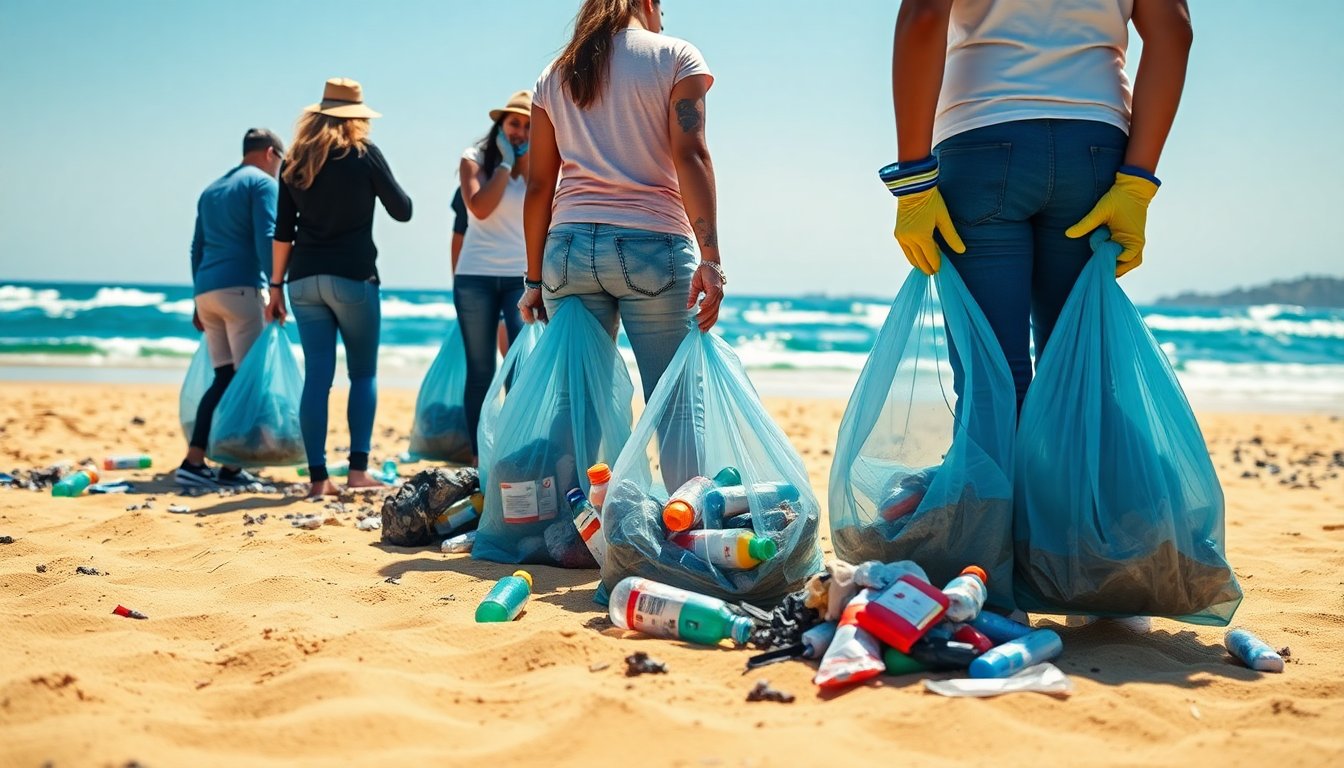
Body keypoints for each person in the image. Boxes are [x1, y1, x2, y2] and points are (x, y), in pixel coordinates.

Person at [886, 0, 1193, 410]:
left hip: (981, 141)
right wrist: (1137, 184)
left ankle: (989, 455)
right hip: (1094, 152)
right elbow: (1173, 31)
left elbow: (924, 16)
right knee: (1077, 383)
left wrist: (913, 181)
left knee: (992, 386)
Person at [521, 0, 726, 409]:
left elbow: (540, 184)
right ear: (648, 4)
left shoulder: (556, 73)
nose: (661, 23)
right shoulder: (676, 56)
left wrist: (533, 282)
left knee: (576, 408)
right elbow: (690, 154)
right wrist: (711, 259)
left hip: (567, 253)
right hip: (652, 243)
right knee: (676, 406)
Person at [265, 78, 413, 497]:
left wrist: (275, 288)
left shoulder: (295, 161)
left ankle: (318, 480)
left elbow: (282, 232)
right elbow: (402, 210)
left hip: (303, 281)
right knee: (362, 374)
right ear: (357, 118)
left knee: (317, 377)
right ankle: (357, 472)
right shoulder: (364, 154)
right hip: (353, 278)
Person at [176, 128, 285, 489]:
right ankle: (232, 466)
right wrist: (276, 287)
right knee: (248, 380)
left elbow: (196, 247)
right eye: (280, 161)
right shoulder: (262, 184)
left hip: (207, 292)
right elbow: (266, 236)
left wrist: (198, 297)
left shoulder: (211, 190)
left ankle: (195, 461)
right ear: (270, 153)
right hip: (240, 290)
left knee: (224, 378)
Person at [454, 92, 532, 460]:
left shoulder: (537, 165)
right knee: (481, 371)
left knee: (519, 368)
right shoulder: (473, 159)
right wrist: (504, 164)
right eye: (514, 123)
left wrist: (525, 161)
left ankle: (512, 453)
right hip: (475, 277)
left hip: (520, 278)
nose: (521, 132)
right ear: (500, 125)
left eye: (529, 126)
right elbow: (481, 208)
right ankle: (478, 457)